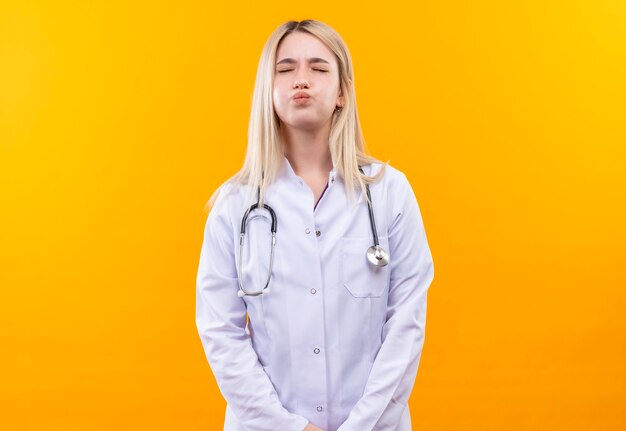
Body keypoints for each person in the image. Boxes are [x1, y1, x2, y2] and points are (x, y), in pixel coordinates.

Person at [195, 19, 435, 431]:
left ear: (342, 91)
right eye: (285, 69)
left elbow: (405, 328)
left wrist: (360, 425)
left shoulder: (390, 193)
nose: (301, 79)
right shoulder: (233, 206)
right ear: (268, 91)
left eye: (318, 68)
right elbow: (221, 334)